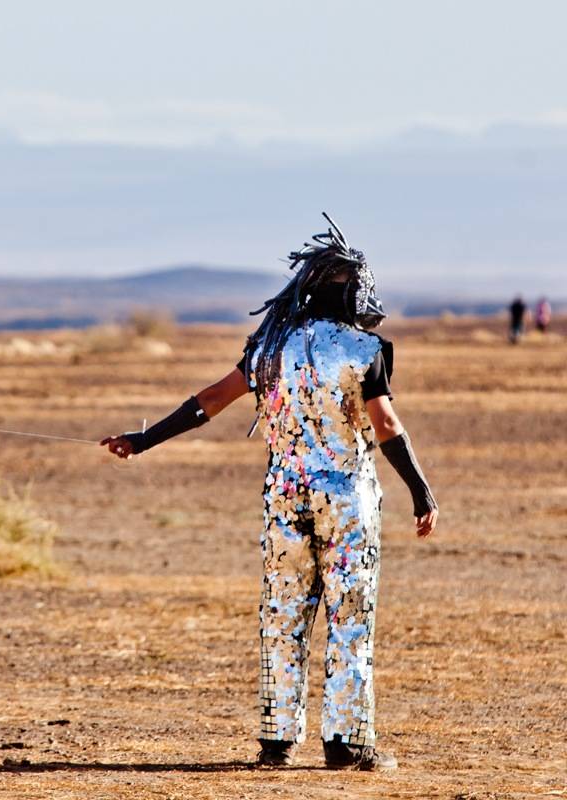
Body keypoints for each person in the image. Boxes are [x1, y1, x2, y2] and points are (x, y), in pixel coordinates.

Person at [101, 215, 438, 772]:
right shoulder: (363, 349)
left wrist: (145, 440)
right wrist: (421, 491)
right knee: (349, 613)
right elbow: (386, 426)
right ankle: (347, 741)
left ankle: (276, 739)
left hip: (283, 498)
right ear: (351, 290)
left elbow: (210, 400)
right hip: (347, 500)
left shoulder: (270, 347)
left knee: (283, 613)